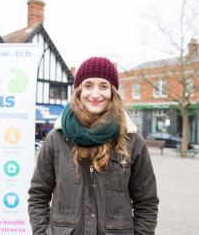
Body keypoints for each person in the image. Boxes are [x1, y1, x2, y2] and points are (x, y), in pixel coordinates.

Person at [28, 57, 159, 235]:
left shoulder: (133, 141)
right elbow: (38, 195)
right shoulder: (56, 138)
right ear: (79, 91)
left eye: (103, 86)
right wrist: (42, 232)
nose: (95, 94)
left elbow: (147, 202)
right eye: (88, 85)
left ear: (113, 92)